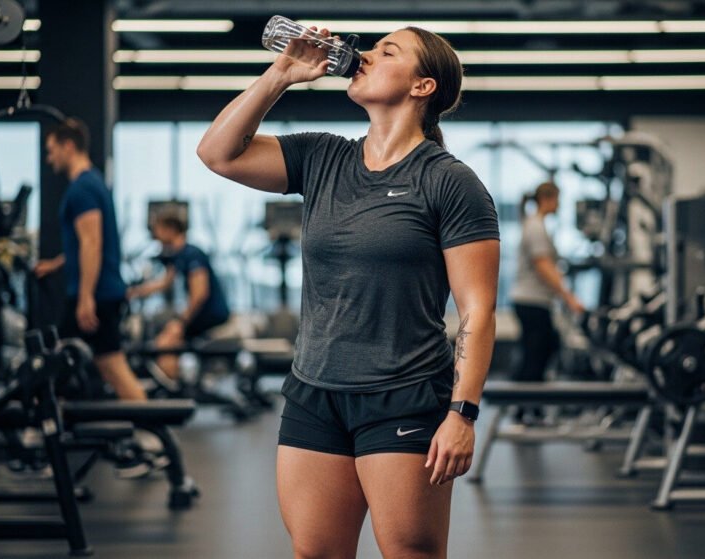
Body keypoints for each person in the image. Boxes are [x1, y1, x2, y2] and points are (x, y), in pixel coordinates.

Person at [197, 25, 500, 559]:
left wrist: (463, 413)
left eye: (387, 51)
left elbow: (477, 308)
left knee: (410, 551)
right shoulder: (323, 158)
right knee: (316, 552)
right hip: (314, 394)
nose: (363, 55)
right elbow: (217, 153)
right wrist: (282, 75)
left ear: (421, 87)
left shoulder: (449, 182)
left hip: (402, 394)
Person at [34, 118, 147, 402]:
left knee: (107, 367)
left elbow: (92, 242)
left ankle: (151, 428)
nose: (49, 159)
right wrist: (57, 263)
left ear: (68, 146)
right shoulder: (92, 182)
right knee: (73, 363)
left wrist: (85, 297)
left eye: (52, 150)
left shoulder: (81, 189)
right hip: (101, 291)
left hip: (95, 294)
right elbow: (86, 242)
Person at [128, 210, 232, 385]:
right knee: (166, 335)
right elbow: (164, 283)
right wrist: (134, 291)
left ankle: (172, 389)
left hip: (212, 314)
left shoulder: (192, 253)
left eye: (158, 229)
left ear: (170, 230)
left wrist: (180, 322)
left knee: (166, 342)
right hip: (201, 313)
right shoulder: (177, 255)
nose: (155, 235)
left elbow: (200, 294)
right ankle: (174, 385)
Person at [509, 182, 584, 391]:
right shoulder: (535, 226)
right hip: (531, 301)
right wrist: (568, 297)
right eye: (558, 200)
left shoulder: (537, 224)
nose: (559, 205)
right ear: (547, 199)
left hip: (533, 301)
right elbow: (543, 265)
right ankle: (526, 409)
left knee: (541, 350)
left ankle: (528, 408)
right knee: (537, 355)